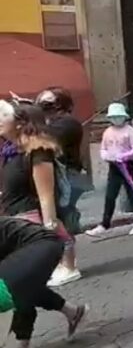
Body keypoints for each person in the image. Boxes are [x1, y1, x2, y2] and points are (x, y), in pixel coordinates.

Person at [0, 217, 88, 347]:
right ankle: (73, 312)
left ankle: (21, 341)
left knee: (10, 288)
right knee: (22, 284)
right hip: (39, 246)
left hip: (41, 242)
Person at [35, 87, 84, 287]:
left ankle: (70, 266)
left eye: (49, 102)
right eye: (41, 101)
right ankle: (63, 262)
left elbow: (45, 139)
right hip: (57, 177)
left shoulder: (67, 124)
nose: (44, 105)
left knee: (61, 219)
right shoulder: (49, 123)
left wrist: (30, 117)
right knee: (55, 218)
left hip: (69, 177)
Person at [85, 103, 133, 236]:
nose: (116, 119)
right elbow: (103, 148)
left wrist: (124, 156)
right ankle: (104, 224)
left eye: (119, 116)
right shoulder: (108, 132)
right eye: (113, 117)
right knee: (110, 196)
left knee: (132, 194)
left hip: (129, 165)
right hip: (114, 166)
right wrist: (106, 156)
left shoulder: (130, 131)